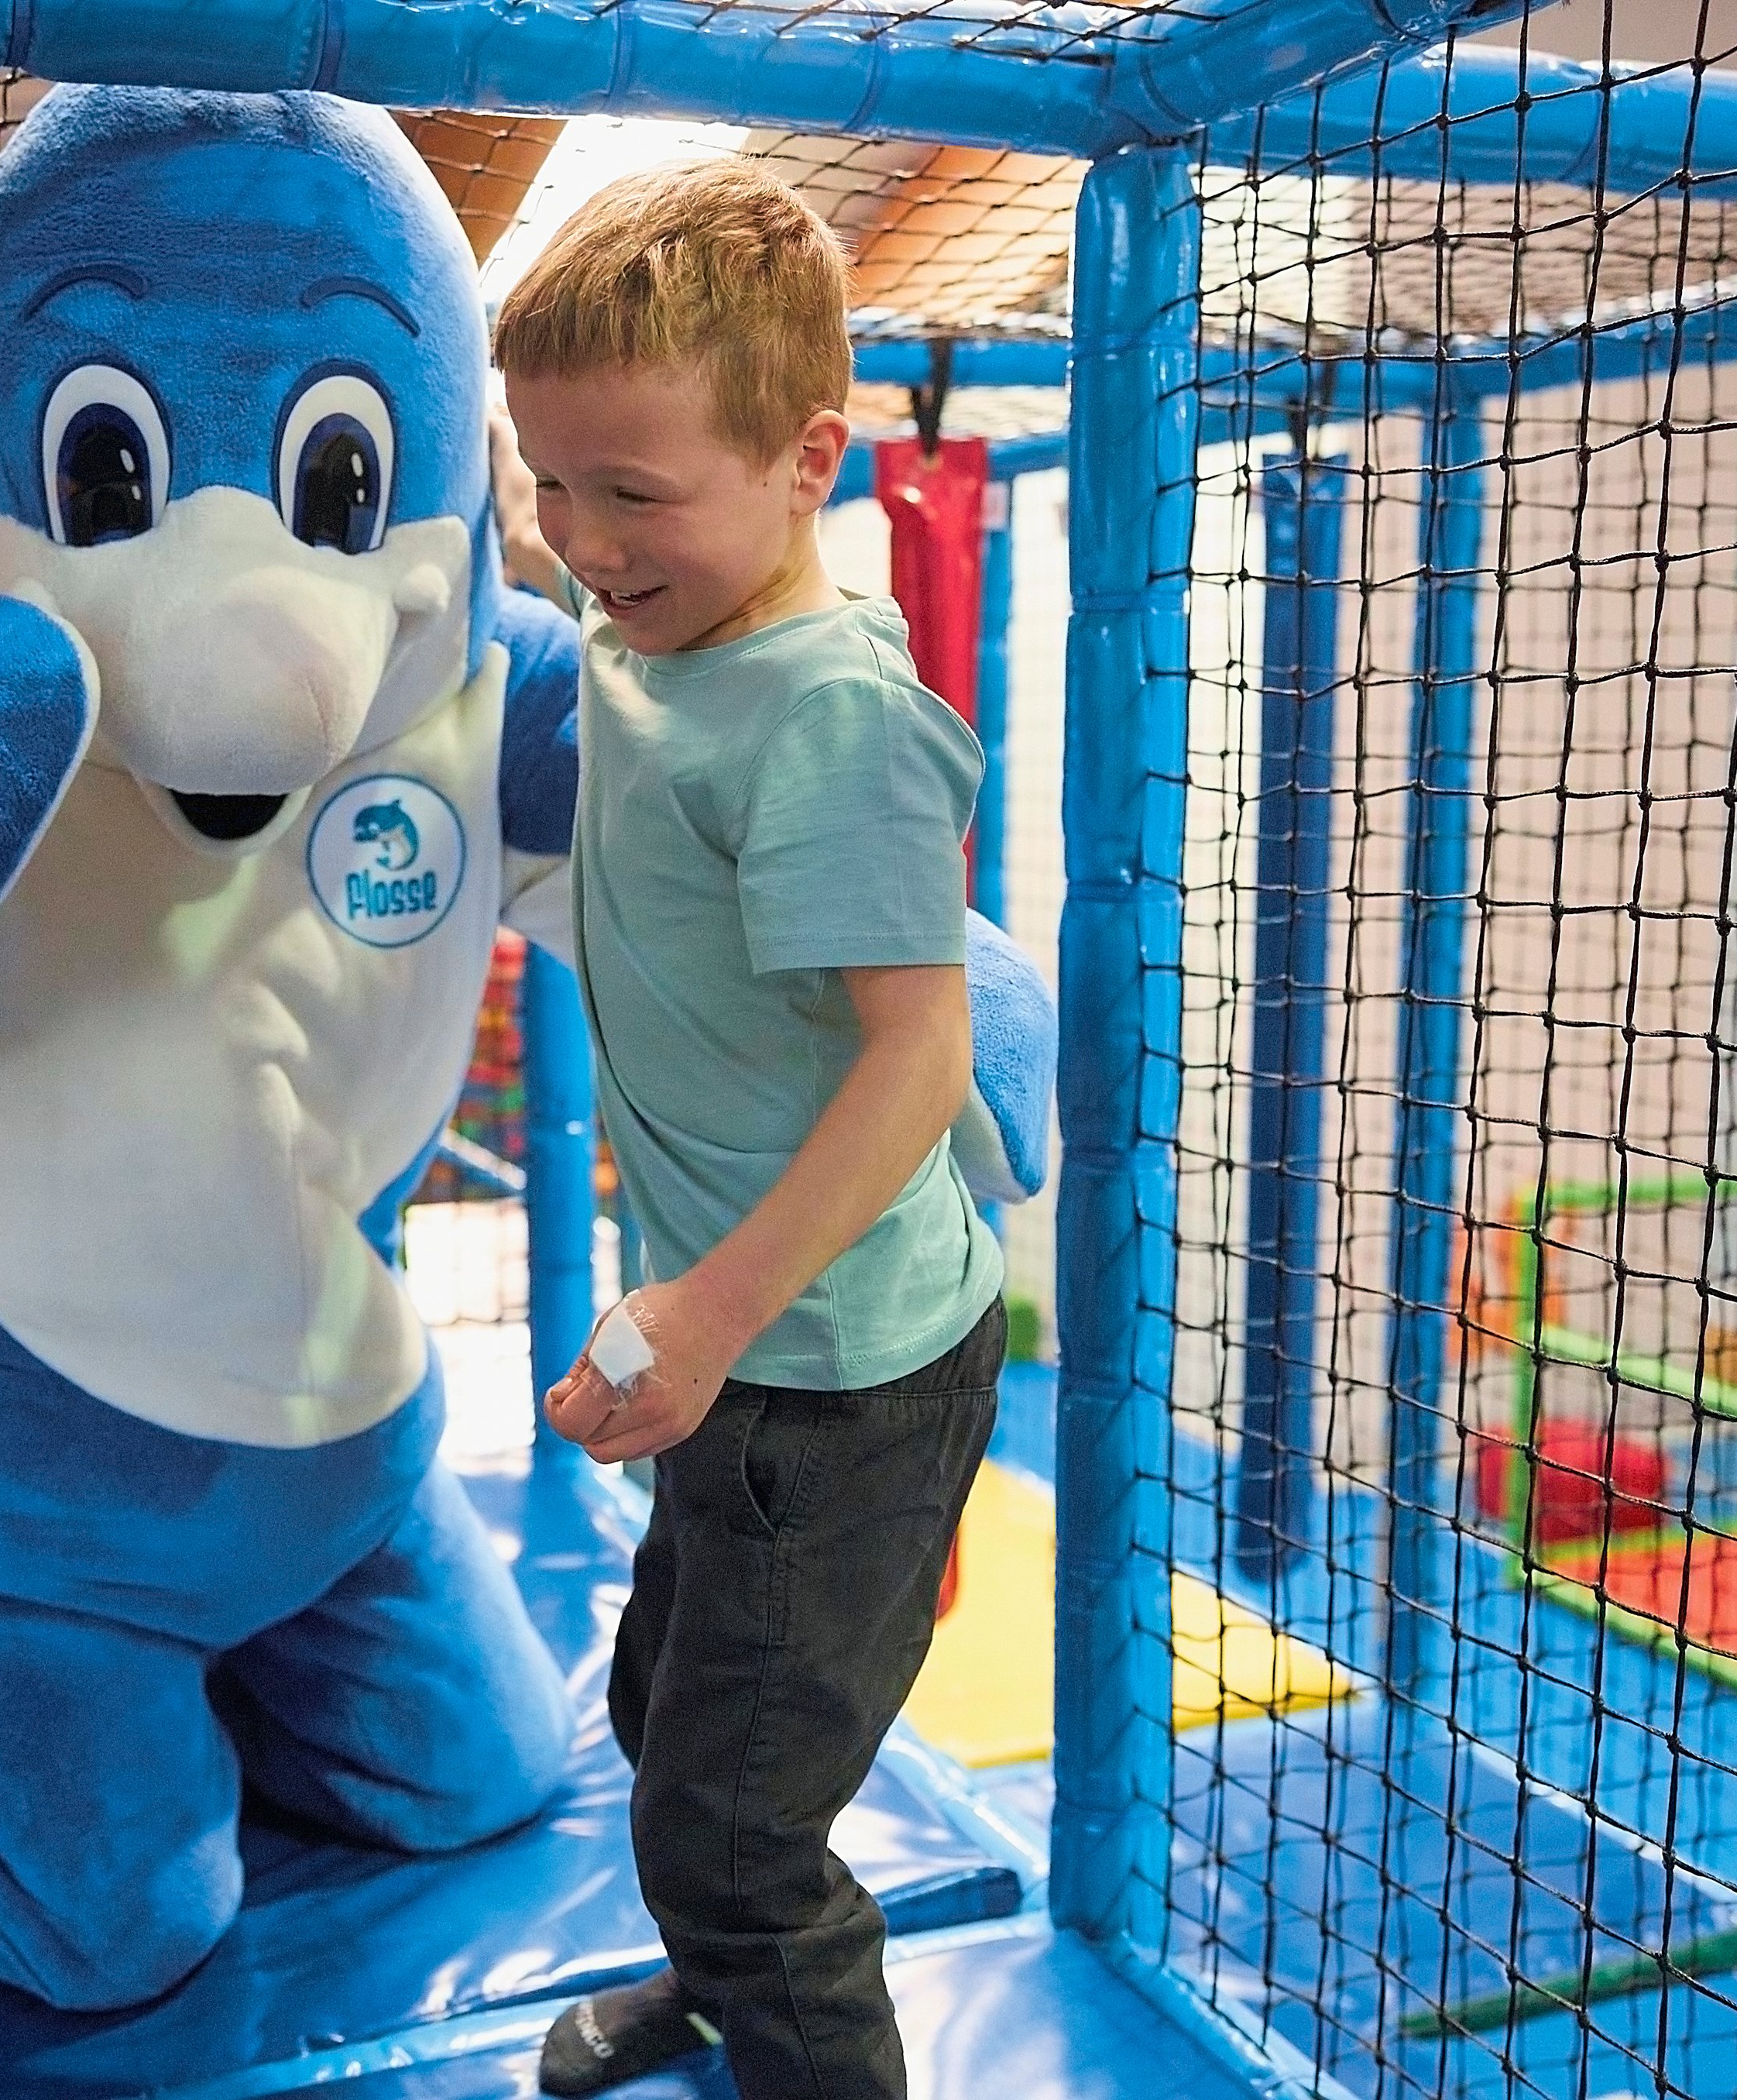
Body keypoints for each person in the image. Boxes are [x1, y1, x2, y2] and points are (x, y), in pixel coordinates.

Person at [489, 159, 1007, 2100]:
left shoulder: (825, 723)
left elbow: (914, 1065)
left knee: (734, 1825)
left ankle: (777, 2011)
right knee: (660, 1712)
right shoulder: (650, 636)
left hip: (834, 1377)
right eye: (547, 480)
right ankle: (714, 1985)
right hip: (740, 1358)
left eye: (633, 495)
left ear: (806, 461)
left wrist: (698, 1318)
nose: (581, 538)